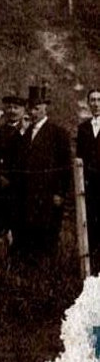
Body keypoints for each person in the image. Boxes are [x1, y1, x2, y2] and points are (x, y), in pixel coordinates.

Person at [12, 84, 71, 262]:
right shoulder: (25, 132)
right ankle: (26, 268)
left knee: (46, 231)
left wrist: (60, 192)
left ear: (45, 108)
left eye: (37, 108)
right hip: (28, 193)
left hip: (47, 193)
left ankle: (46, 269)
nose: (33, 111)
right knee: (27, 230)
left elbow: (65, 166)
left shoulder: (58, 133)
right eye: (31, 108)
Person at [0, 89, 29, 235]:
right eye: (9, 107)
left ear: (23, 110)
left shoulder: (28, 129)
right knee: (3, 213)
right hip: (3, 181)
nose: (12, 111)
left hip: (22, 181)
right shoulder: (1, 130)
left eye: (16, 108)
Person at [76, 88, 100, 273]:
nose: (96, 104)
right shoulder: (83, 128)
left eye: (99, 100)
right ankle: (91, 266)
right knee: (90, 222)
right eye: (92, 100)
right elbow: (79, 157)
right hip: (90, 185)